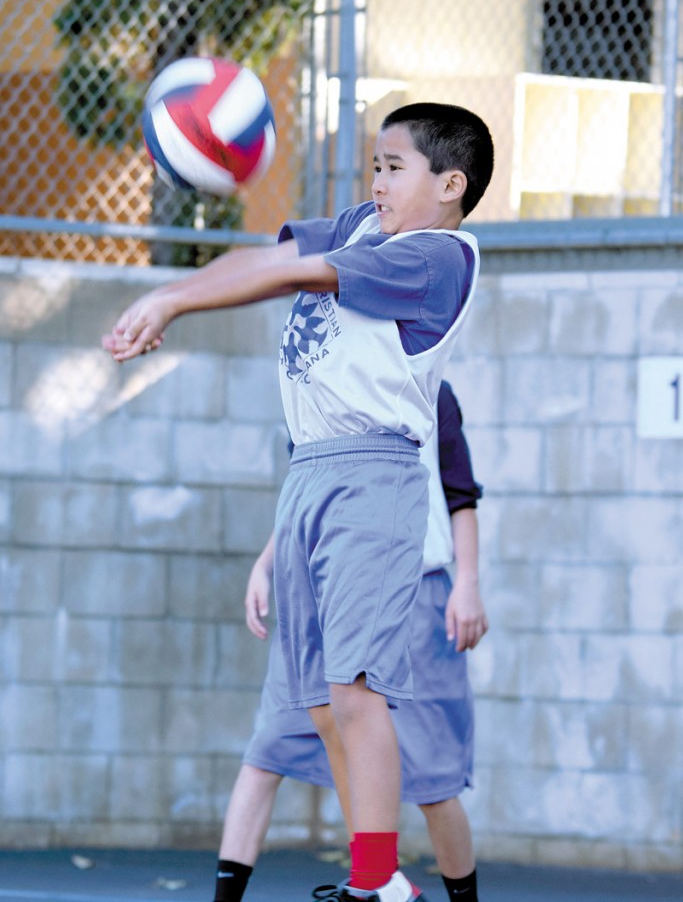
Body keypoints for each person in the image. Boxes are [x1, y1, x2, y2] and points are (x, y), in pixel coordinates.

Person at [102, 101, 494, 902]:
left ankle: (374, 881)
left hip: (371, 475)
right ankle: (381, 885)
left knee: (355, 689)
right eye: (374, 165)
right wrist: (170, 292)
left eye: (394, 167)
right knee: (315, 700)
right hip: (309, 472)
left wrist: (175, 302)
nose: (375, 180)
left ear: (449, 184)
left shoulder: (437, 256)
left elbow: (289, 273)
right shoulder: (361, 227)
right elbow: (267, 255)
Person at [214, 381, 488, 902]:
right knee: (270, 744)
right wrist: (265, 565)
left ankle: (401, 887)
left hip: (412, 588)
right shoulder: (312, 382)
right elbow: (305, 489)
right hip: (320, 587)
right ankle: (376, 883)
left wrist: (468, 583)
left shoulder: (428, 389)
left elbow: (460, 494)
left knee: (433, 783)